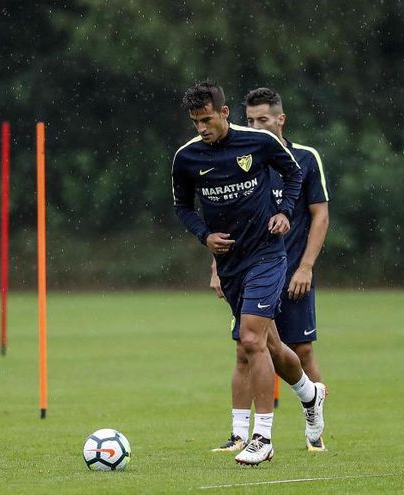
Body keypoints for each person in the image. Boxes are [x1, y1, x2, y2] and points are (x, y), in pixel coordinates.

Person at [171, 81, 325, 466]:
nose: (201, 128)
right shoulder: (186, 158)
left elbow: (293, 176)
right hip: (231, 264)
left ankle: (262, 438)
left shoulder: (258, 142)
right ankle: (309, 394)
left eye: (207, 119)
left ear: (224, 113)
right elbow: (183, 208)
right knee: (268, 345)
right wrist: (205, 237)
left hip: (267, 257)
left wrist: (284, 212)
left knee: (251, 341)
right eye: (195, 122)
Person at [209, 87, 330, 451]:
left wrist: (306, 267)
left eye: (264, 119)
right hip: (249, 271)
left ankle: (315, 429)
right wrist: (217, 265)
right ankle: (239, 435)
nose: (257, 126)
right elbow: (225, 217)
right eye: (250, 120)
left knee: (301, 350)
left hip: (292, 271)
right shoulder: (242, 157)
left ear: (281, 119)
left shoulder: (305, 159)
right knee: (246, 349)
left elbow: (320, 215)